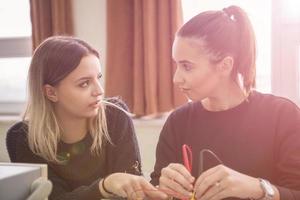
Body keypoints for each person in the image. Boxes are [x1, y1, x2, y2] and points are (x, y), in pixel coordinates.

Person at [150, 5, 300, 200]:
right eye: (176, 65)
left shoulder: (283, 116)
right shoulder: (178, 122)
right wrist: (163, 187)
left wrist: (258, 188)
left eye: (187, 67)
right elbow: (155, 187)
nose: (176, 78)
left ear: (225, 65)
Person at [6, 36, 166, 200]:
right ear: (51, 93)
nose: (99, 91)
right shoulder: (23, 138)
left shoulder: (115, 116)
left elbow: (131, 193)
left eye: (99, 78)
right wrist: (104, 186)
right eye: (84, 83)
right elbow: (52, 198)